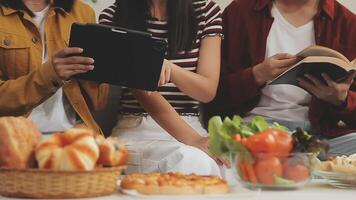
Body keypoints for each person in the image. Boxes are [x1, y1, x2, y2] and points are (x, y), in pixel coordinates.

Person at [207, 0, 356, 156]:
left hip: (322, 135)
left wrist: (341, 100)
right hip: (259, 128)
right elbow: (211, 96)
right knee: (261, 157)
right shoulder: (239, 12)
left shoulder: (347, 23)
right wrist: (256, 75)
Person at [99, 0, 230, 176]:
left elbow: (206, 91)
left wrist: (167, 67)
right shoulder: (113, 16)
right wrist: (193, 139)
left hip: (191, 125)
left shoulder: (206, 11)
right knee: (191, 161)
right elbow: (145, 95)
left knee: (228, 169)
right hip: (137, 129)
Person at [0, 0, 109, 134]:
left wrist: (98, 68)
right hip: (16, 138)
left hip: (75, 134)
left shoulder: (82, 11)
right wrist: (50, 75)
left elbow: (98, 103)